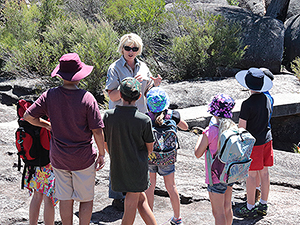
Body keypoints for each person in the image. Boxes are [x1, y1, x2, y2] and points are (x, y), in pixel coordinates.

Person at [24, 53, 106, 225]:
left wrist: (47, 125)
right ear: (79, 75)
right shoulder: (87, 98)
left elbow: (28, 116)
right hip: (83, 158)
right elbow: (97, 131)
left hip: (59, 159)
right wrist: (101, 153)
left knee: (65, 199)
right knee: (85, 199)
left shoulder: (50, 95)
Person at [105, 33, 162, 209]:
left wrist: (155, 84)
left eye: (134, 48)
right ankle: (117, 195)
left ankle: (137, 191)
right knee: (118, 154)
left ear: (139, 50)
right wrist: (128, 86)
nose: (131, 51)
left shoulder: (143, 67)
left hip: (139, 117)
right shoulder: (114, 68)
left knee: (138, 154)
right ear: (122, 48)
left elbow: (148, 92)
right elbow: (112, 95)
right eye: (128, 48)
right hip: (119, 116)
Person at [103, 77, 157, 225]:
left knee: (141, 201)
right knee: (132, 204)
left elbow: (105, 142)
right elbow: (150, 148)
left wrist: (116, 155)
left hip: (118, 167)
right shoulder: (144, 120)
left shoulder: (108, 116)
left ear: (120, 95)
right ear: (139, 96)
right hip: (136, 169)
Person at [144, 87, 188, 225]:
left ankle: (150, 217)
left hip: (150, 156)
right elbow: (185, 127)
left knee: (150, 186)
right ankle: (177, 218)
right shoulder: (173, 115)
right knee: (171, 186)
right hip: (168, 158)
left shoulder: (146, 117)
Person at [234, 67, 274, 218]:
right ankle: (263, 204)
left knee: (251, 175)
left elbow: (242, 129)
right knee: (264, 173)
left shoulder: (247, 104)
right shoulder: (267, 99)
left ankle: (250, 206)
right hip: (267, 140)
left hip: (254, 145)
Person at [194, 93, 236, 225]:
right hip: (229, 174)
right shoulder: (234, 128)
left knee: (218, 214)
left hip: (215, 177)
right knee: (227, 207)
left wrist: (203, 134)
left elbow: (197, 153)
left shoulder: (211, 131)